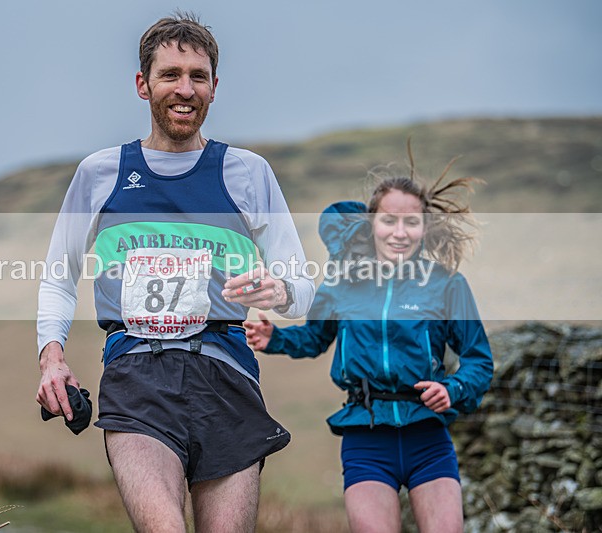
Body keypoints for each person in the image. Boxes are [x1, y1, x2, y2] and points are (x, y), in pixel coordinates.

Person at [35, 13, 314, 533]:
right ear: (143, 85)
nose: (185, 89)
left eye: (198, 76)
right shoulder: (101, 172)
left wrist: (278, 289)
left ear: (214, 87)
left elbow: (301, 289)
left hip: (227, 374)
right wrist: (52, 358)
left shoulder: (248, 172)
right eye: (170, 74)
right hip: (136, 375)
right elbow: (58, 275)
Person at [245, 159, 494, 532]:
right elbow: (315, 337)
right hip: (366, 439)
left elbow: (479, 360)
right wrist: (275, 338)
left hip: (428, 437)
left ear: (424, 227)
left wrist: (452, 388)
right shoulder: (343, 282)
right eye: (388, 220)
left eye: (412, 222)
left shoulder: (447, 285)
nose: (400, 232)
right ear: (371, 224)